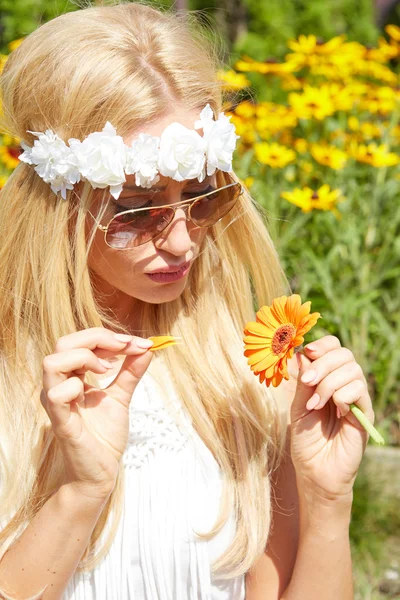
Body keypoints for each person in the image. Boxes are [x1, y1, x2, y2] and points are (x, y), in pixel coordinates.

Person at [0, 2, 375, 599]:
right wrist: (80, 493)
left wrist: (328, 503)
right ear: (56, 206)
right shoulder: (11, 385)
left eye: (203, 197)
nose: (180, 239)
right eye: (138, 208)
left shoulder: (244, 381)